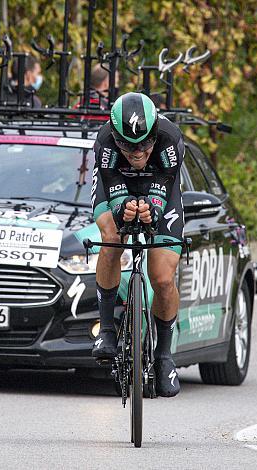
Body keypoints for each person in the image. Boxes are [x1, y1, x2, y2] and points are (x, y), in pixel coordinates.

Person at [90, 92, 185, 397]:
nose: (137, 152)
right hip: (117, 182)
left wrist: (152, 209)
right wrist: (122, 208)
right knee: (112, 237)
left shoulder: (170, 138)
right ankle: (106, 330)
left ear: (155, 132)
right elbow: (111, 185)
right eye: (128, 145)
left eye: (145, 143)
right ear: (115, 135)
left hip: (160, 184)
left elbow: (165, 185)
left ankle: (164, 356)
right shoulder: (104, 141)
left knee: (162, 277)